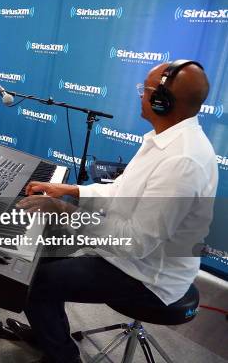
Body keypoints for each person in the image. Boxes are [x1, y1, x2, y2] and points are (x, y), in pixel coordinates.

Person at [12, 61, 218, 363]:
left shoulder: (183, 161)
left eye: (145, 90)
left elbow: (137, 242)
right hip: (131, 257)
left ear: (163, 101)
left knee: (34, 280)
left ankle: (63, 356)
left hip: (148, 277)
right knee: (40, 253)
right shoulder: (164, 139)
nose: (140, 95)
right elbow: (120, 191)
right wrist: (72, 192)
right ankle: (50, 335)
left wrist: (64, 212)